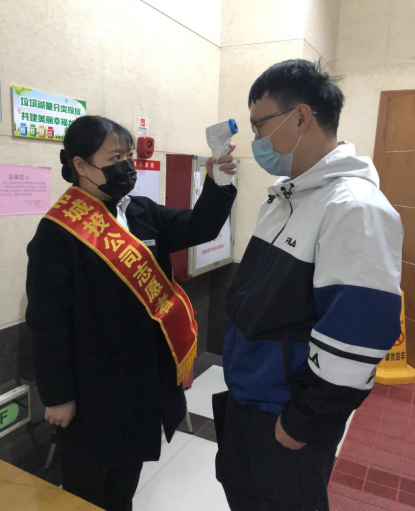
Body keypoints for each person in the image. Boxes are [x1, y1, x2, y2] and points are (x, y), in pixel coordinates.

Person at [214, 59, 403, 511]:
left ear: (300, 117)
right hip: (250, 394)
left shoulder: (354, 208)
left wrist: (303, 422)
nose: (256, 141)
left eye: (259, 125)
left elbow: (357, 337)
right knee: (243, 492)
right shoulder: (287, 195)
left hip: (286, 411)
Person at [26, 115, 237, 511]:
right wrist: (58, 396)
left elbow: (200, 226)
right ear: (81, 165)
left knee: (124, 486)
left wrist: (219, 182)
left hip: (141, 381)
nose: (126, 166)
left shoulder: (141, 211)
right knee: (86, 490)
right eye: (114, 158)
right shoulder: (57, 233)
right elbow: (48, 323)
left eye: (127, 156)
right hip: (92, 390)